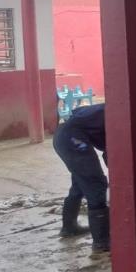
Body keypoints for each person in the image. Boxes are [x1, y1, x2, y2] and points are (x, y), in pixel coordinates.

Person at [53, 104, 110, 255]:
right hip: (73, 138)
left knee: (80, 182)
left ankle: (69, 227)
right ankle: (102, 242)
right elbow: (112, 153)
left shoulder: (108, 109)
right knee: (96, 183)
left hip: (63, 135)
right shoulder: (118, 116)